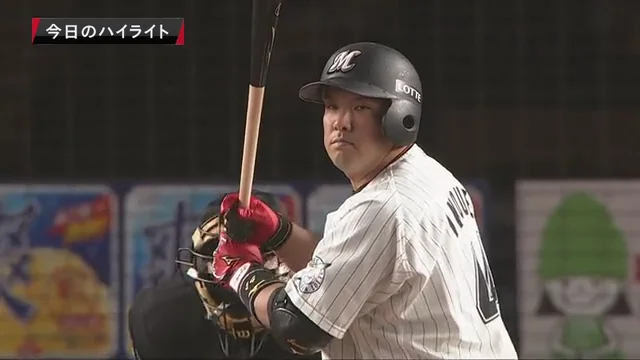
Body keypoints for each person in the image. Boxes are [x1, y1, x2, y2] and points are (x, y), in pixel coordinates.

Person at [210, 42, 519, 359]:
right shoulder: (429, 175)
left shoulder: (383, 205)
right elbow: (354, 273)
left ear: (401, 116)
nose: (341, 122)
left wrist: (241, 272)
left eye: (360, 107)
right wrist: (280, 233)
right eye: (332, 107)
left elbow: (299, 327)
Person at [127, 192, 320, 360]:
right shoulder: (162, 319)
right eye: (217, 256)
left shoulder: (321, 316)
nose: (233, 274)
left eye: (262, 258)